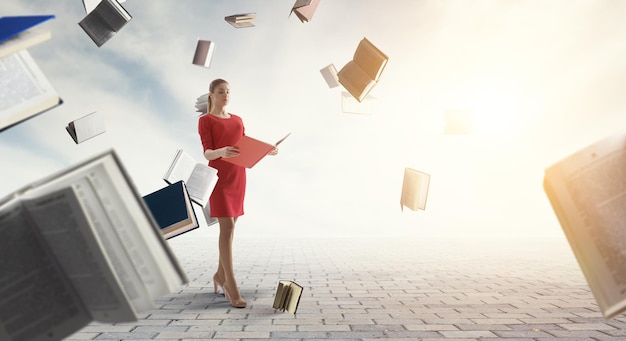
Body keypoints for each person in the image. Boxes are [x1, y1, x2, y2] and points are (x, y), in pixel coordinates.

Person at [197, 78, 276, 308]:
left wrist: (267, 150)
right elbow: (207, 154)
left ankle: (219, 275)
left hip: (238, 177)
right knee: (227, 227)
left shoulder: (238, 120)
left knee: (231, 229)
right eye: (221, 91)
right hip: (220, 178)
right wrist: (221, 151)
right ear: (211, 94)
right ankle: (231, 285)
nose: (226, 95)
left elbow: (246, 145)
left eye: (228, 91)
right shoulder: (206, 121)